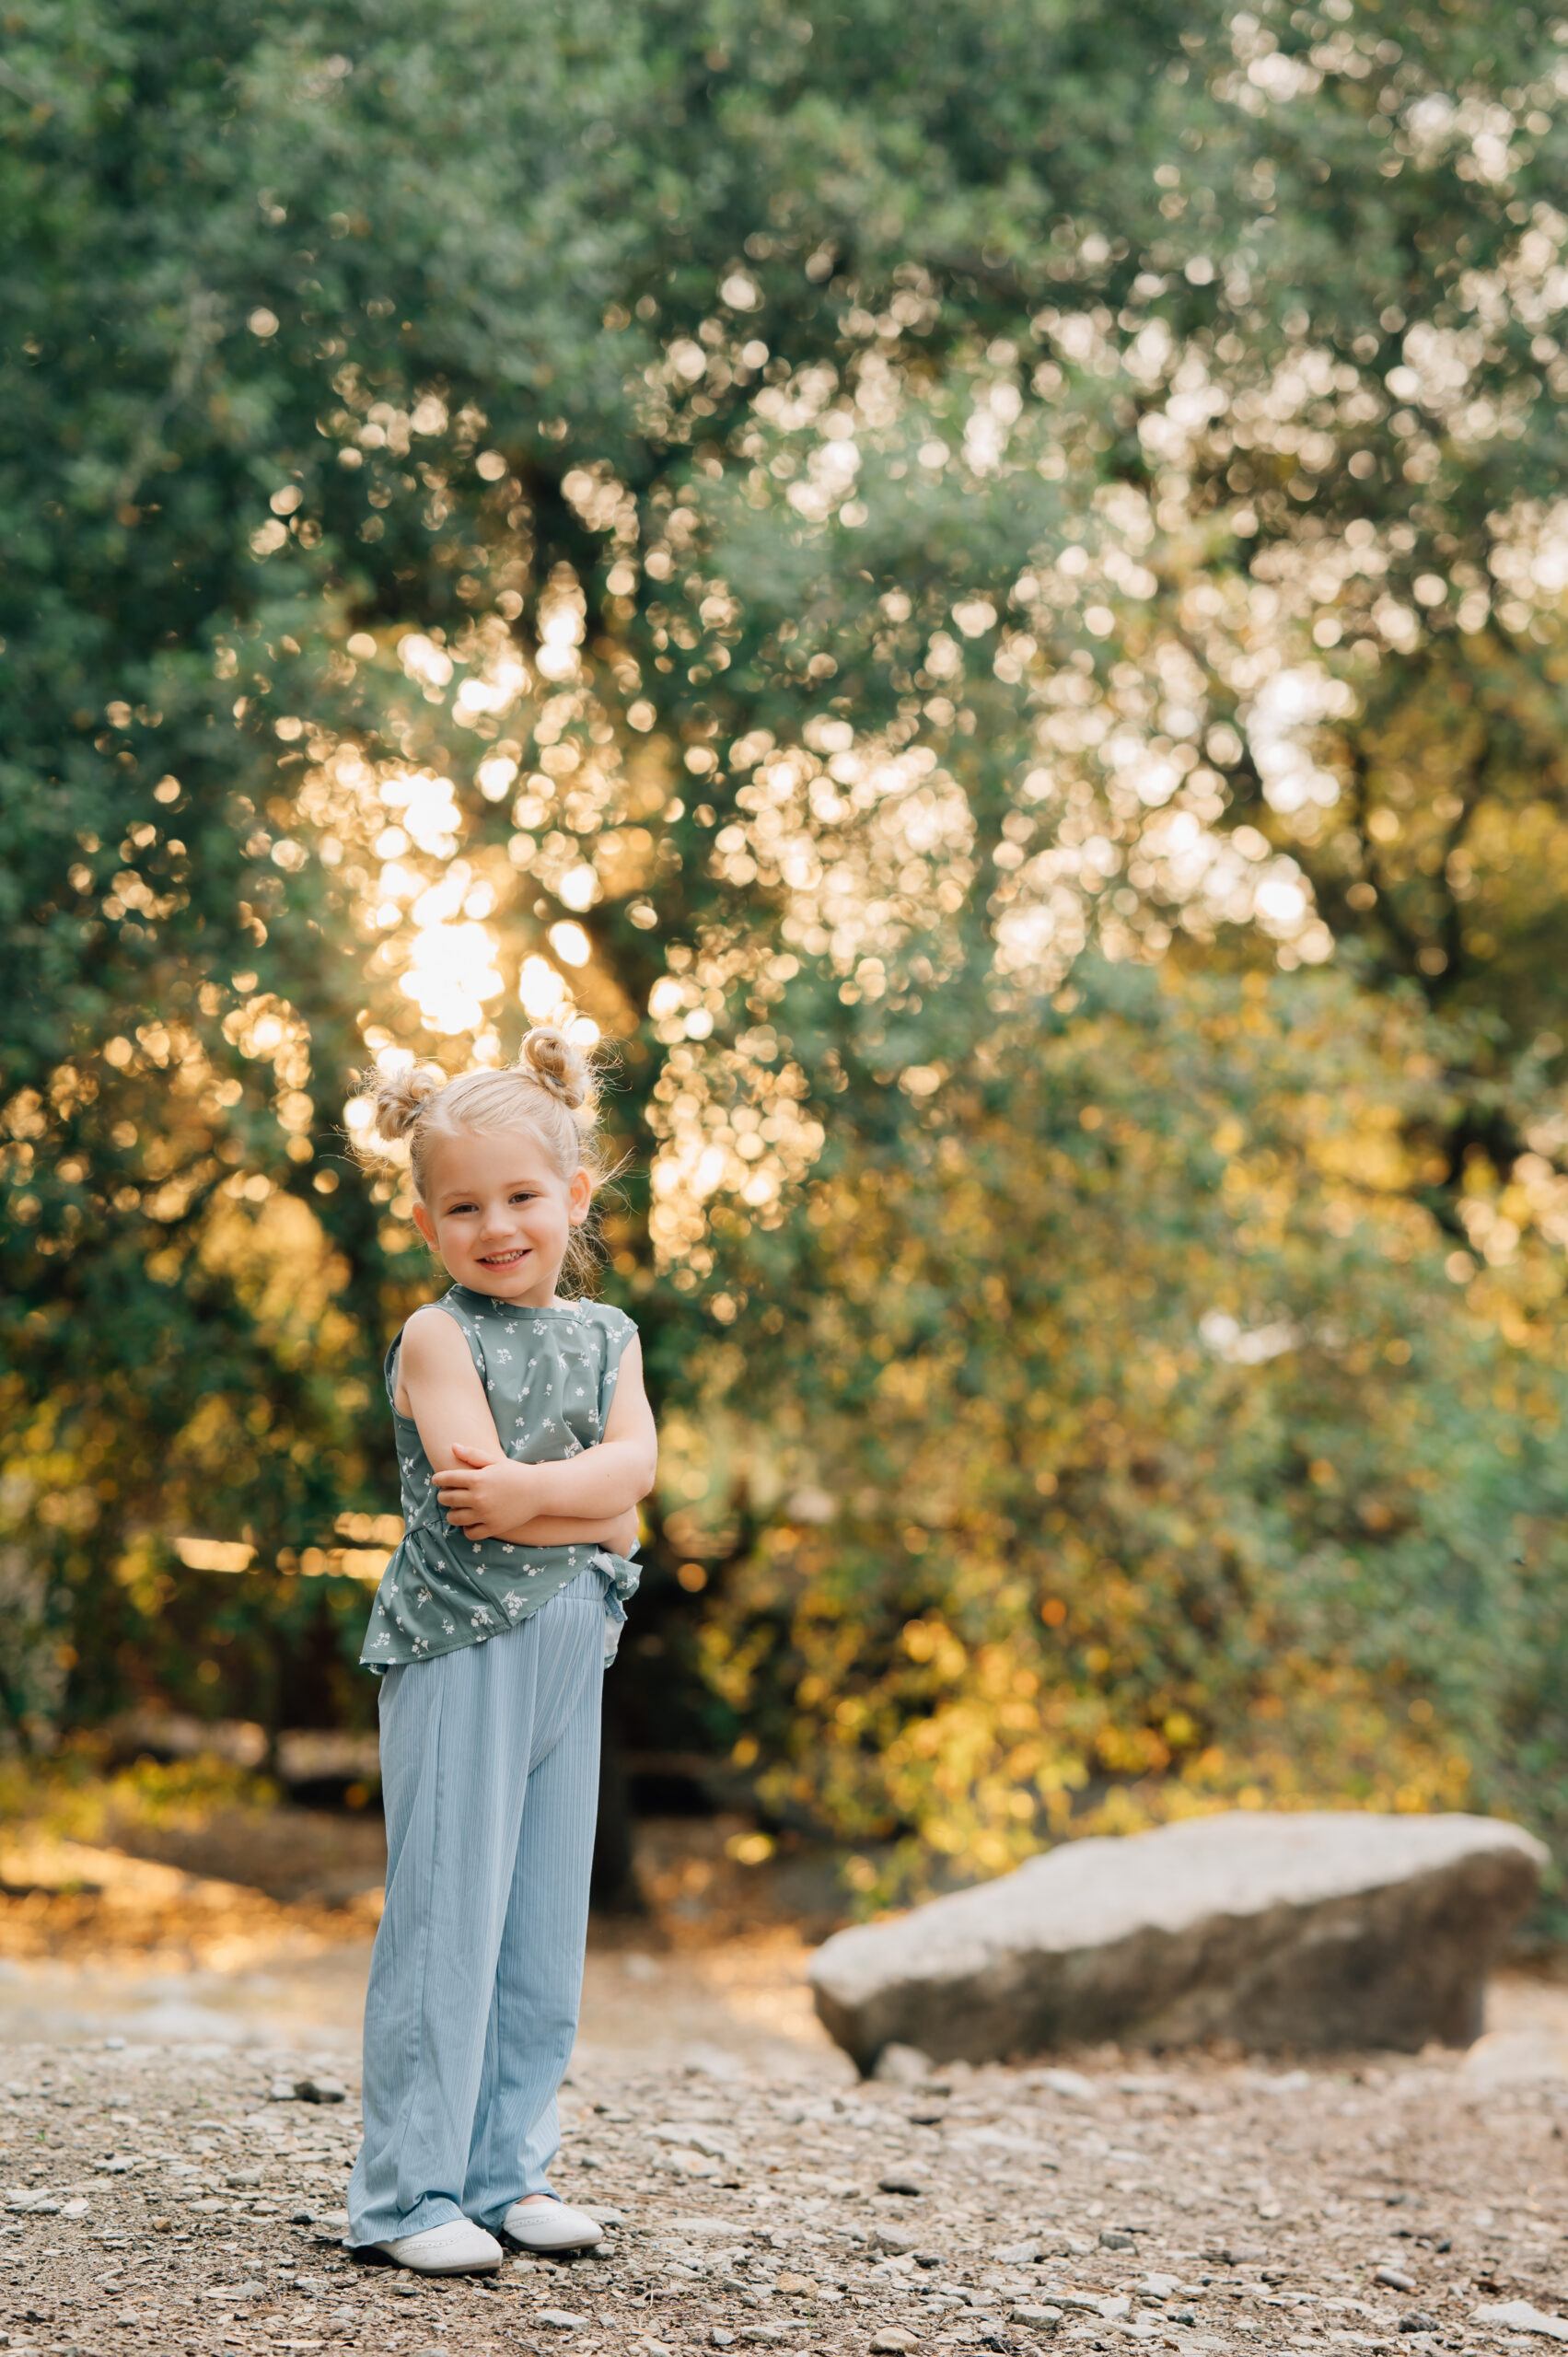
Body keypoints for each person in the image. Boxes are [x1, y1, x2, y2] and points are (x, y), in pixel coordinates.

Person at [343, 1026, 657, 2276]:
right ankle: (405, 2193)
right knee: (448, 1913)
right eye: (463, 1206)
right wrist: (568, 1496)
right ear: (429, 1225)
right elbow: (482, 1496)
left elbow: (635, 1493)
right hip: (460, 1643)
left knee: (538, 1922)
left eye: (522, 1196)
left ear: (574, 1196)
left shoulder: (609, 1334)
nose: (497, 1226)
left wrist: (565, 1496)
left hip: (572, 1645)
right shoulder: (438, 1336)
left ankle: (504, 2172)